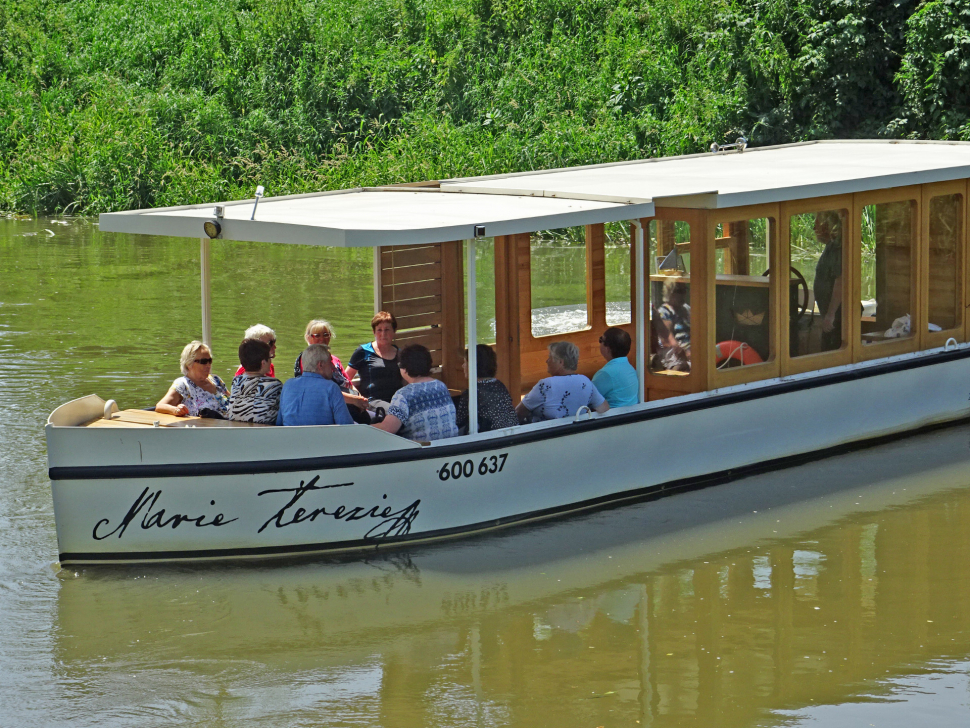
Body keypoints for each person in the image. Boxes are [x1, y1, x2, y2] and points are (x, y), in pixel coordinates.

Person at [372, 344, 457, 441]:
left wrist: (365, 427)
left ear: (404, 368)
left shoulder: (403, 395)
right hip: (449, 446)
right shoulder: (441, 386)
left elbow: (388, 428)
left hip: (421, 451)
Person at [516, 341, 609, 422]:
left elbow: (518, 413)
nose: (547, 361)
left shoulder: (546, 385)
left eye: (550, 357)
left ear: (561, 362)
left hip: (545, 437)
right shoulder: (585, 382)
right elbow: (604, 409)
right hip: (577, 434)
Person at [294, 319, 369, 418]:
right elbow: (322, 392)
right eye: (317, 335)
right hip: (329, 410)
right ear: (308, 338)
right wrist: (354, 400)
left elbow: (349, 384)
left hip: (350, 403)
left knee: (377, 417)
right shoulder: (307, 362)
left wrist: (360, 399)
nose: (322, 339)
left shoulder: (335, 360)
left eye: (325, 334)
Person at [276, 345, 354, 426]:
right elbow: (346, 426)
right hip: (323, 438)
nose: (332, 366)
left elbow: (279, 423)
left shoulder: (288, 385)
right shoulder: (331, 388)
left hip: (289, 437)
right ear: (320, 365)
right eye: (330, 362)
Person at [455, 344, 518, 434]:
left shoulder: (472, 392)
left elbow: (459, 423)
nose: (463, 366)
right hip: (513, 434)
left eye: (465, 362)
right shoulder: (499, 385)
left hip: (491, 439)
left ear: (474, 365)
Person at [155, 341, 229, 417]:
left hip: (231, 424)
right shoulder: (183, 384)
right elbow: (160, 406)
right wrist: (176, 410)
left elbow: (233, 401)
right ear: (189, 364)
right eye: (203, 361)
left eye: (210, 361)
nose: (208, 365)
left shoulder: (216, 380)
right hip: (206, 427)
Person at [345, 311, 404, 403]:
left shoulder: (400, 354)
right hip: (372, 403)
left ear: (394, 331)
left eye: (387, 330)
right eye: (379, 330)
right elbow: (345, 379)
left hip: (397, 401)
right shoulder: (363, 351)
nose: (383, 334)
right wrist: (358, 397)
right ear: (374, 332)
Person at [227, 338, 283, 424]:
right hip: (264, 432)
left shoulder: (236, 381)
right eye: (270, 357)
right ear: (263, 363)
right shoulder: (274, 385)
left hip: (236, 429)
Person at [813, 210, 843, 352]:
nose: (814, 229)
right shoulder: (830, 247)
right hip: (831, 315)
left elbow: (841, 282)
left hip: (838, 317)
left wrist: (830, 315)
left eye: (817, 224)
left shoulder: (838, 249)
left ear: (828, 226)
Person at [592, 327, 639, 408]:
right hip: (632, 415)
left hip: (614, 418)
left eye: (601, 340)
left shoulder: (605, 373)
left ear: (607, 349)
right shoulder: (630, 368)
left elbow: (588, 398)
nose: (599, 343)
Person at [656, 281, 691, 372]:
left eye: (685, 290)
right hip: (673, 353)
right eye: (679, 291)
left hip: (689, 351)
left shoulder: (686, 309)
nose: (683, 294)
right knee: (682, 367)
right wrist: (685, 353)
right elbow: (666, 340)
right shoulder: (665, 312)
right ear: (670, 292)